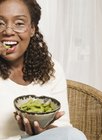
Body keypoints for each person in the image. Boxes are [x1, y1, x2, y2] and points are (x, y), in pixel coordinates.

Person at [0, 0, 87, 140]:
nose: (8, 31)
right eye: (0, 23)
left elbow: (63, 130)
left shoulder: (52, 68)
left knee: (74, 136)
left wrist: (44, 130)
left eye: (19, 23)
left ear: (32, 29)